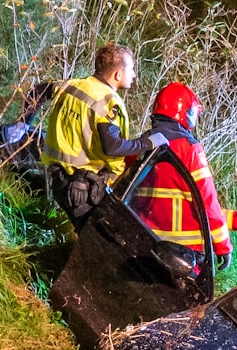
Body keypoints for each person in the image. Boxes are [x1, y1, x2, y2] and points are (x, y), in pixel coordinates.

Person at [40, 42, 165, 226]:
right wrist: (148, 143)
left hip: (61, 180)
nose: (134, 75)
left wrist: (21, 123)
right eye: (131, 69)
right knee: (97, 243)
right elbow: (112, 146)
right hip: (82, 189)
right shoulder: (107, 101)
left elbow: (39, 89)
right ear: (118, 74)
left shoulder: (72, 85)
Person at [127, 81, 232, 268]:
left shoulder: (142, 144)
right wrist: (223, 245)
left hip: (140, 238)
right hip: (182, 254)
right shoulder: (190, 150)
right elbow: (207, 201)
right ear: (186, 113)